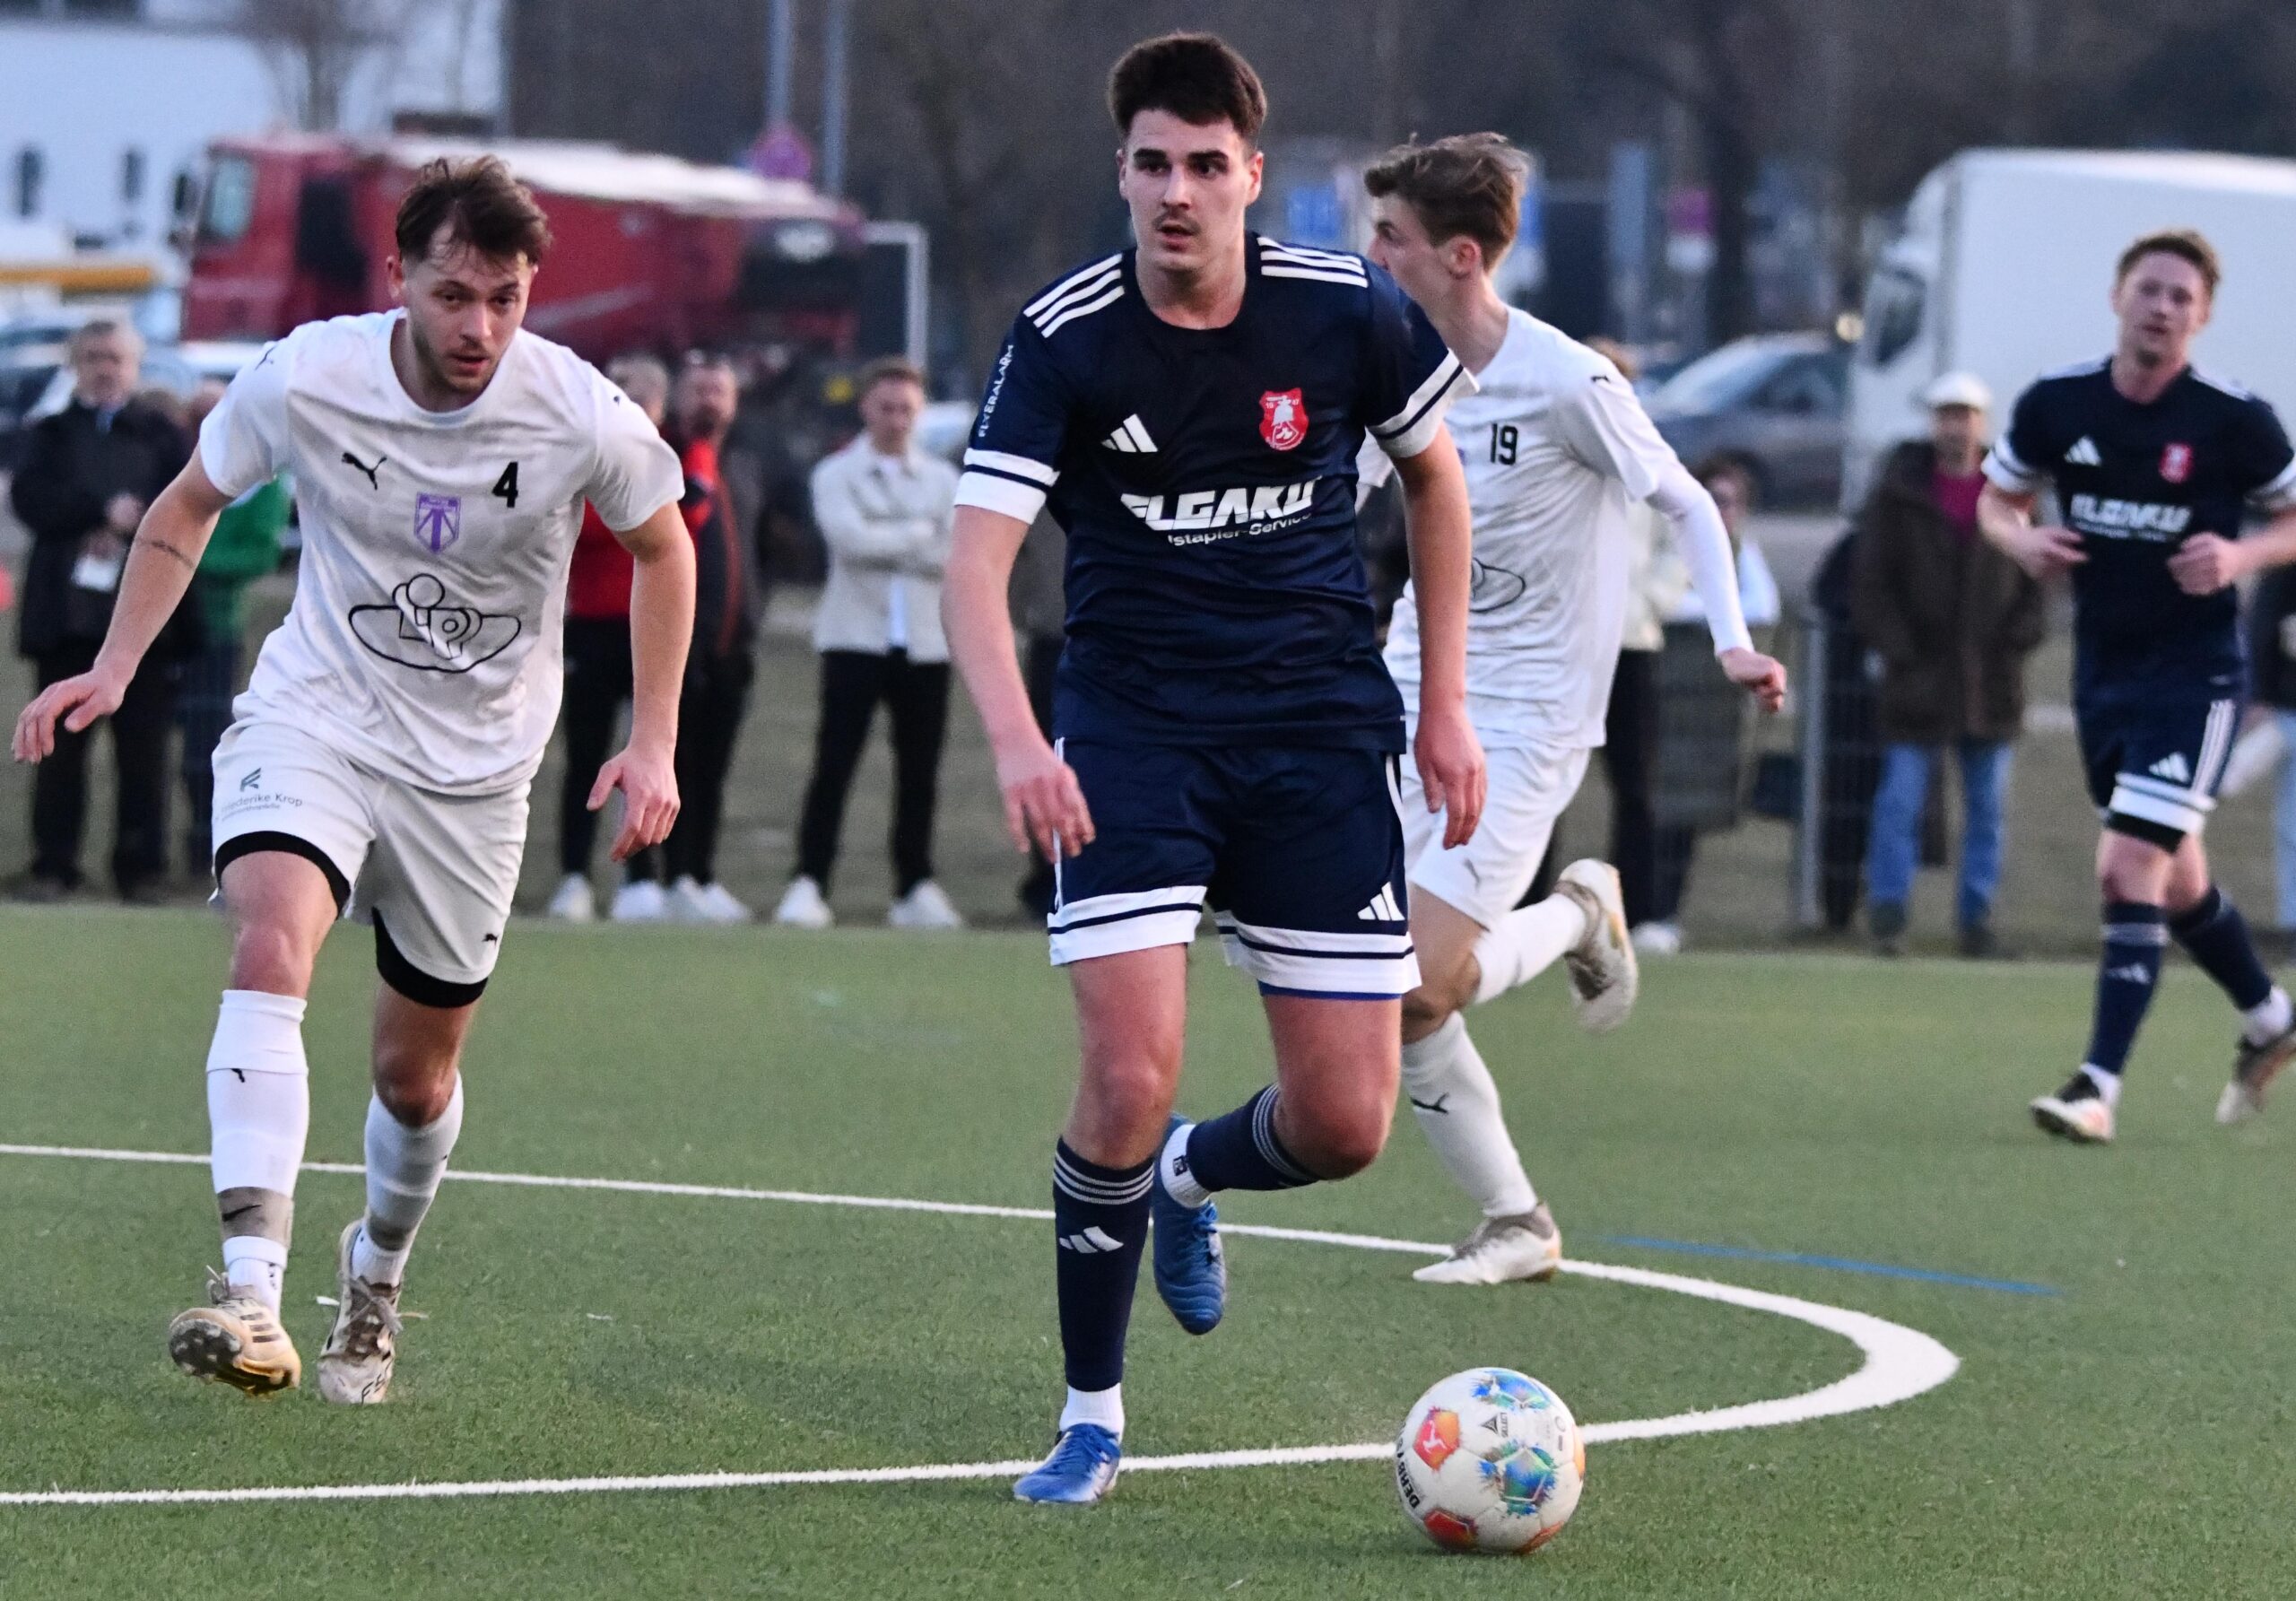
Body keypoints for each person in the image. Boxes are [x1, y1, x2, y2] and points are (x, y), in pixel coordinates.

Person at [13, 157, 693, 1400]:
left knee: (412, 1080)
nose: (479, 326)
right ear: (398, 279)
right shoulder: (308, 375)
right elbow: (187, 505)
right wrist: (114, 665)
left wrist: (653, 739)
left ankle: (375, 1270)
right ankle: (250, 1293)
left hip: (476, 772)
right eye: (453, 295)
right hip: (317, 717)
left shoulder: (577, 411)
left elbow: (664, 546)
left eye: (505, 298)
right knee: (269, 942)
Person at [940, 33, 1481, 1504]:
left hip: (1318, 735)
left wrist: (1444, 705)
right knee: (1126, 1075)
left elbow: (1436, 482)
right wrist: (1019, 740)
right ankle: (1091, 1417)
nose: (1176, 192)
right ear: (1120, 175)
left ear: (1252, 173)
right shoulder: (1064, 337)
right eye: (1151, 165)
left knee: (1348, 1126)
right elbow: (974, 567)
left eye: (1204, 165)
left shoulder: (1344, 307)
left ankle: (1191, 1176)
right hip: (1134, 738)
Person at [1357, 135, 1784, 1284]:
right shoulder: (1390, 361)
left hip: (1529, 717)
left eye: (1391, 236)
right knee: (1375, 986)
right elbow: (1328, 494)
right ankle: (1516, 1222)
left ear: (1458, 256)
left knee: (1413, 982)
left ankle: (1579, 913)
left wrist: (1730, 639)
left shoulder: (1567, 379)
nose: (1373, 254)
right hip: (1405, 694)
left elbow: (1687, 504)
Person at [1979, 229, 2296, 1142]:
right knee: (2177, 879)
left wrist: (2239, 554)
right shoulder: (2057, 403)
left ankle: (2097, 1086)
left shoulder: (2234, 419)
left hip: (2196, 676)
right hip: (2103, 674)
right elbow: (1997, 502)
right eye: (2149, 289)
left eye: (2180, 297)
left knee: (2126, 865)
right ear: (2117, 296)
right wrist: (2021, 541)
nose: (2162, 308)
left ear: (2203, 317)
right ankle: (2271, 1017)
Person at [1853, 372, 2045, 958]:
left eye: (1966, 416)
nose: (1956, 427)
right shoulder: (1899, 493)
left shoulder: (2015, 494)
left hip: (1990, 679)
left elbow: (2036, 578)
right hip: (1920, 676)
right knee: (1899, 802)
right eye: (1946, 416)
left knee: (1987, 809)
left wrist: (2014, 640)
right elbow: (1871, 581)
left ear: (1982, 424)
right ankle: (1888, 915)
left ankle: (1976, 919)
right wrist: (1900, 649)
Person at [777, 356, 964, 930]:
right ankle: (810, 881)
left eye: (906, 409)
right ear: (865, 408)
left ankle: (915, 884)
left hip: (925, 643)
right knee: (835, 763)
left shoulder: (943, 481)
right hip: (854, 640)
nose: (896, 419)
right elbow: (849, 540)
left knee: (920, 770)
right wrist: (917, 533)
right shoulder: (835, 474)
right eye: (886, 407)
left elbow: (953, 553)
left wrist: (894, 536)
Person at [8, 318, 191, 901]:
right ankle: (53, 866)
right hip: (66, 618)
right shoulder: (49, 433)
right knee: (58, 751)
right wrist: (97, 513)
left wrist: (137, 521)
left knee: (144, 753)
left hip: (144, 622)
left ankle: (141, 870)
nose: (105, 368)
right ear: (75, 364)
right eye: (92, 357)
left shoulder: (162, 435)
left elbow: (190, 503)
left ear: (134, 364)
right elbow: (29, 499)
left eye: (114, 357)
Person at [1634, 457, 1782, 953]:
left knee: (1689, 813)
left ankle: (1665, 913)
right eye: (1712, 499)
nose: (1722, 511)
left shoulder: (1743, 552)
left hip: (1710, 712)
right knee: (1645, 804)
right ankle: (1635, 911)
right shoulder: (1668, 543)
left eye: (1731, 502)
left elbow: (1763, 604)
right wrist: (1712, 619)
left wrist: (1713, 623)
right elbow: (1654, 598)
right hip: (1660, 696)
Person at [548, 351, 675, 923]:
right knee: (586, 754)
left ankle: (643, 878)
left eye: (641, 395)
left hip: (650, 630)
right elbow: (590, 529)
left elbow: (683, 525)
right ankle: (575, 875)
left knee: (653, 753)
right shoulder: (586, 457)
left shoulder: (670, 457)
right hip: (594, 626)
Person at [1586, 337, 1689, 935]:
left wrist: (1649, 600)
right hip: (1564, 646)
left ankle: (1638, 912)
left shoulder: (1649, 456)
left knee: (1636, 784)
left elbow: (1680, 538)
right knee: (1539, 785)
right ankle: (1520, 910)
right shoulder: (1554, 445)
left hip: (1630, 643)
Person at [658, 352, 766, 924]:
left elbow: (763, 545)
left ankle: (701, 873)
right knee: (672, 763)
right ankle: (665, 875)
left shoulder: (744, 465)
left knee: (713, 769)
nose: (709, 400)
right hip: (679, 644)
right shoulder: (665, 459)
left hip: (733, 646)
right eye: (698, 389)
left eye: (719, 390)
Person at [177, 378, 288, 874]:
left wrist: (182, 563)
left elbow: (259, 553)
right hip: (162, 633)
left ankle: (205, 846)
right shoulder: (176, 470)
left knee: (204, 745)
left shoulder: (261, 483)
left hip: (214, 628)